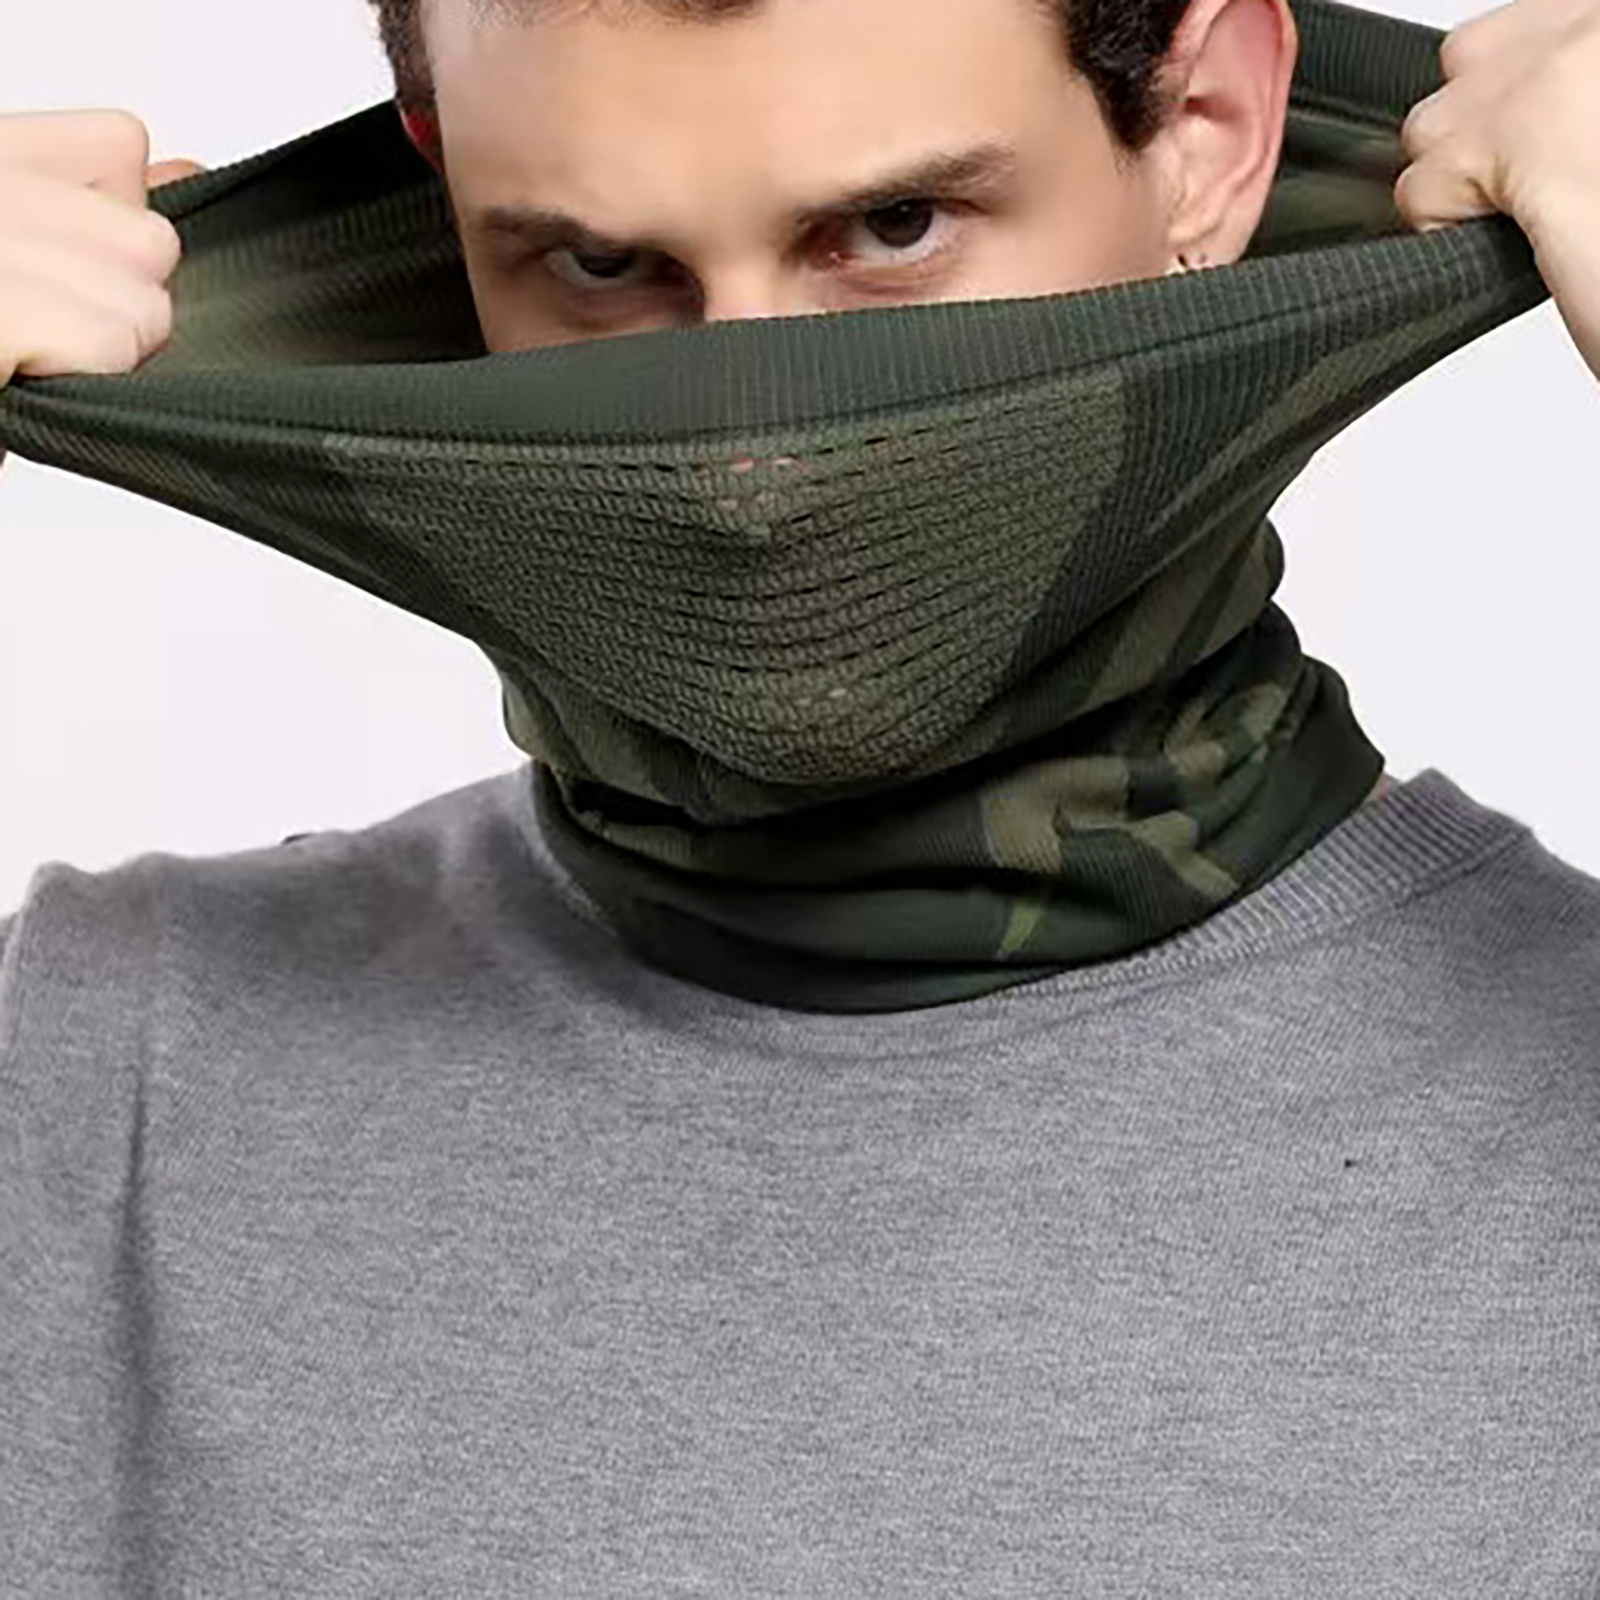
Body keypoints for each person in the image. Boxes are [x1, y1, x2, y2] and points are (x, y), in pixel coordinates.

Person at [4, 0, 1600, 1589]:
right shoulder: (109, 1078)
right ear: (446, 192)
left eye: (896, 228)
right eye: (601, 265)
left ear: (1207, 133)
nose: (747, 480)